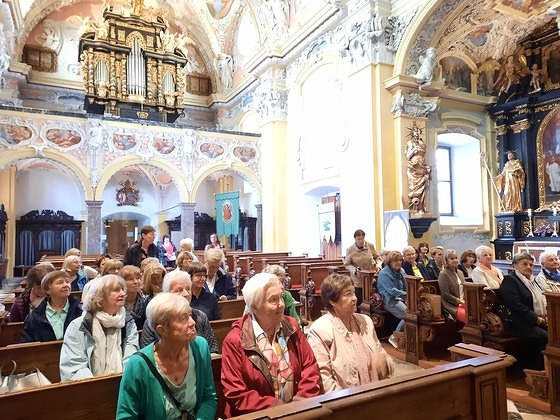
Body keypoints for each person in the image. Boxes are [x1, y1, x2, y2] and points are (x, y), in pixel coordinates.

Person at [221, 273, 320, 417]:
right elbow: (237, 393)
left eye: (281, 297)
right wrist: (282, 410)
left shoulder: (291, 326)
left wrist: (300, 404)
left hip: (299, 413)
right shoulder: (236, 341)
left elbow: (310, 367)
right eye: (274, 300)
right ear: (255, 307)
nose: (281, 304)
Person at [116, 293, 217, 419]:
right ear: (162, 330)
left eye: (190, 315)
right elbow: (126, 417)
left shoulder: (200, 347)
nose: (192, 322)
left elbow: (209, 397)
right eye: (183, 318)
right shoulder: (138, 364)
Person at [307, 273, 393, 393]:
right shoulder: (320, 330)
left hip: (374, 394)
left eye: (353, 292)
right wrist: (347, 402)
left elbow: (382, 356)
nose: (355, 298)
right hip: (344, 401)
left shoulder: (366, 322)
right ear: (332, 301)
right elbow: (324, 380)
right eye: (348, 294)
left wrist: (384, 363)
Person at [60, 275, 139, 381]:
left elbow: (131, 358)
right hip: (89, 386)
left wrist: (123, 383)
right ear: (100, 296)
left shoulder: (128, 323)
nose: (122, 294)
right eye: (116, 290)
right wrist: (97, 387)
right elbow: (74, 365)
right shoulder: (78, 325)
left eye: (122, 290)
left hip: (122, 383)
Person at [139, 270, 219, 353]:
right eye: (179, 290)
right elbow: (147, 354)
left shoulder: (201, 316)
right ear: (167, 293)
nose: (186, 294)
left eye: (188, 289)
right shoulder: (154, 321)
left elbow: (213, 349)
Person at [498, 253, 548, 370]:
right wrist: (537, 319)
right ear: (515, 266)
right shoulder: (510, 280)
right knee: (545, 337)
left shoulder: (532, 281)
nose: (529, 267)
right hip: (516, 321)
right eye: (524, 264)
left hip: (530, 320)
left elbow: (542, 298)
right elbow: (516, 305)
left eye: (531, 264)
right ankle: (536, 369)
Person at [21, 271, 82, 342]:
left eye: (67, 282)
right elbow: (27, 342)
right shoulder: (35, 315)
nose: (66, 285)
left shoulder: (80, 310)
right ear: (47, 290)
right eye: (60, 282)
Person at [377, 251, 407, 345]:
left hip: (402, 298)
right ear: (389, 262)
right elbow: (392, 291)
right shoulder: (384, 273)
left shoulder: (401, 271)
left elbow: (407, 284)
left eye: (400, 260)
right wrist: (408, 294)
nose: (399, 262)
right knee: (408, 314)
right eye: (396, 261)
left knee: (417, 311)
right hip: (389, 300)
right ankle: (395, 337)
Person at [405, 122, 431, 213]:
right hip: (414, 168)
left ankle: (421, 207)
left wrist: (426, 167)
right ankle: (415, 207)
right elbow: (408, 156)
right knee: (415, 187)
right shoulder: (410, 143)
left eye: (418, 131)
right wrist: (414, 150)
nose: (417, 133)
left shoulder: (422, 144)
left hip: (422, 167)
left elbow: (424, 156)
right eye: (415, 132)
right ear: (412, 133)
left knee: (423, 187)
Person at [437, 249, 466, 322]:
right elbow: (445, 294)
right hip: (451, 305)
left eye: (456, 258)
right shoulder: (443, 274)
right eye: (452, 258)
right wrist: (459, 301)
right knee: (469, 317)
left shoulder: (460, 273)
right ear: (446, 261)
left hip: (464, 303)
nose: (455, 260)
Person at [120, 265, 149, 330]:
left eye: (138, 278)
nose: (136, 282)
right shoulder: (118, 302)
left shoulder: (146, 300)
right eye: (130, 279)